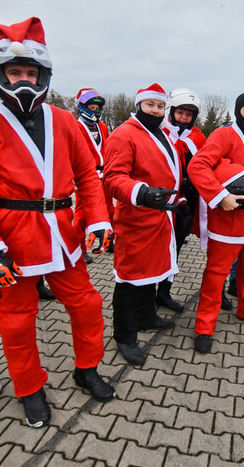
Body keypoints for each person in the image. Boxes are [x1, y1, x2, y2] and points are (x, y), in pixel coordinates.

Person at [0, 17, 115, 428]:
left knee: (88, 304)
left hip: (62, 232)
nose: (24, 79)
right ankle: (28, 387)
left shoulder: (65, 121)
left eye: (31, 72)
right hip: (12, 239)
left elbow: (88, 176)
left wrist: (97, 220)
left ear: (43, 76)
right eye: (14, 72)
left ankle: (87, 368)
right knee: (17, 320)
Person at [188, 92, 244, 354]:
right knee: (216, 273)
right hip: (229, 217)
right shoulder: (223, 135)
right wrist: (220, 197)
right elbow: (197, 166)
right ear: (239, 111)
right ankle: (204, 326)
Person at [103, 83, 180, 366]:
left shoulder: (162, 134)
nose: (156, 111)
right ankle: (124, 335)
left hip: (160, 216)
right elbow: (112, 178)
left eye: (160, 106)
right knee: (129, 279)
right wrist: (143, 192)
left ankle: (146, 317)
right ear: (138, 106)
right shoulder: (124, 134)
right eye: (150, 105)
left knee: (153, 271)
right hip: (136, 218)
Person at [160, 88, 207, 312]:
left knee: (175, 247)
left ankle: (164, 292)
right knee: (157, 248)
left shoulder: (198, 138)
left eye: (189, 115)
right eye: (180, 113)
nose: (184, 118)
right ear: (172, 112)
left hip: (186, 202)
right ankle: (146, 293)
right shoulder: (160, 133)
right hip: (162, 201)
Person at [73, 87, 114, 261]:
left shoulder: (102, 127)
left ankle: (108, 240)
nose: (95, 110)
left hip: (104, 174)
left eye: (97, 107)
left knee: (110, 210)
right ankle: (79, 249)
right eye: (92, 107)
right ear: (83, 107)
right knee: (82, 214)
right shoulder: (75, 126)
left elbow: (108, 149)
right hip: (86, 177)